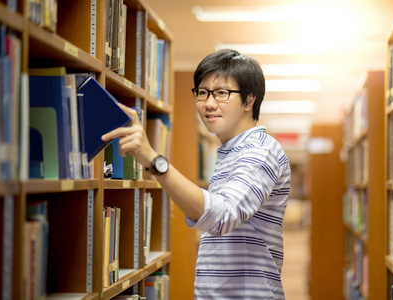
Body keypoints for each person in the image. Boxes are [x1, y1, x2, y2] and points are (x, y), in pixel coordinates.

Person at [101, 49, 290, 299]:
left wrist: (154, 160)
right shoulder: (232, 152)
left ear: (249, 101)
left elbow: (222, 216)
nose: (208, 103)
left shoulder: (260, 152)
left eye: (222, 93)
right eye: (202, 93)